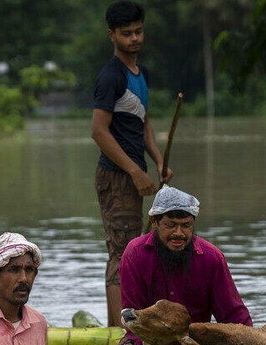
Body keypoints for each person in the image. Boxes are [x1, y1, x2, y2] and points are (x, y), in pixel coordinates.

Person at [91, 0, 173, 327]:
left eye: (138, 32)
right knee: (121, 255)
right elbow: (98, 131)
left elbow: (143, 124)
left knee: (134, 251)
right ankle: (116, 334)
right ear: (112, 35)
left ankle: (131, 325)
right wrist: (135, 170)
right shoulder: (111, 76)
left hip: (132, 173)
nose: (134, 39)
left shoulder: (141, 73)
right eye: (127, 34)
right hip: (116, 177)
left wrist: (159, 161)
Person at [114, 187, 252, 345]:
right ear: (154, 222)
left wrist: (250, 344)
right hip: (149, 341)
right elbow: (133, 321)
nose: (179, 233)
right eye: (170, 225)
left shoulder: (212, 257)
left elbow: (233, 314)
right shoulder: (134, 254)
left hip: (196, 341)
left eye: (186, 225)